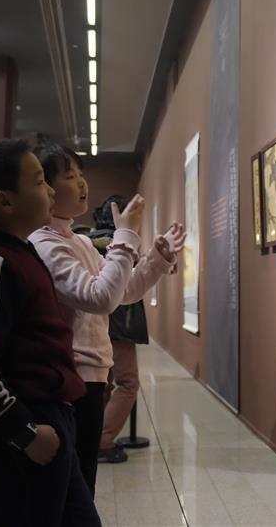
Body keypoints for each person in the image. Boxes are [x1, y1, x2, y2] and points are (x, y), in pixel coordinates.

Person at [0, 139, 100, 527]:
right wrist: (24, 431)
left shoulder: (22, 253)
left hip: (51, 418)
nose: (50, 190)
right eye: (38, 182)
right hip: (24, 429)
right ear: (5, 201)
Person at [29, 142, 185, 497]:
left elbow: (122, 292)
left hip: (90, 374)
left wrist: (156, 260)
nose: (82, 184)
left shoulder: (77, 240)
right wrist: (125, 236)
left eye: (82, 175)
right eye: (70, 176)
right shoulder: (45, 242)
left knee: (82, 478)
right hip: (68, 376)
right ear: (47, 191)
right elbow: (98, 298)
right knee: (73, 484)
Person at [89, 196, 151, 464]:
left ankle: (91, 436)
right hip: (122, 323)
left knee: (102, 383)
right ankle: (102, 440)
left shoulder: (87, 241)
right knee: (127, 382)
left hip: (97, 321)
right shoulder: (124, 241)